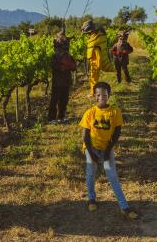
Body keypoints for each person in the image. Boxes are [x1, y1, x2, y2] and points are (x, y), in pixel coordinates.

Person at [79, 81, 138, 220]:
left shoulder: (115, 111)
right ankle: (91, 199)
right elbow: (85, 136)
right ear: (95, 96)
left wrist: (108, 150)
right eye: (98, 95)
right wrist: (91, 153)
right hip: (91, 147)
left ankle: (124, 207)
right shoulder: (90, 112)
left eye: (104, 95)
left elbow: (117, 132)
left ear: (109, 95)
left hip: (107, 147)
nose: (101, 97)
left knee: (112, 175)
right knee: (90, 173)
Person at [48, 31, 76, 124]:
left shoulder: (68, 56)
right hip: (57, 82)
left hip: (66, 81)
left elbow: (74, 67)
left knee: (64, 100)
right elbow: (56, 67)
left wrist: (66, 65)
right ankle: (51, 118)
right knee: (54, 100)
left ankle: (61, 116)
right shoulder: (54, 57)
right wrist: (64, 66)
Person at [81, 20, 115, 96]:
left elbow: (98, 56)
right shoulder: (98, 36)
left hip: (95, 63)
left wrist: (97, 66)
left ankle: (93, 93)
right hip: (95, 62)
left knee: (93, 77)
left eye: (87, 33)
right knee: (93, 77)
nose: (87, 35)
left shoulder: (96, 41)